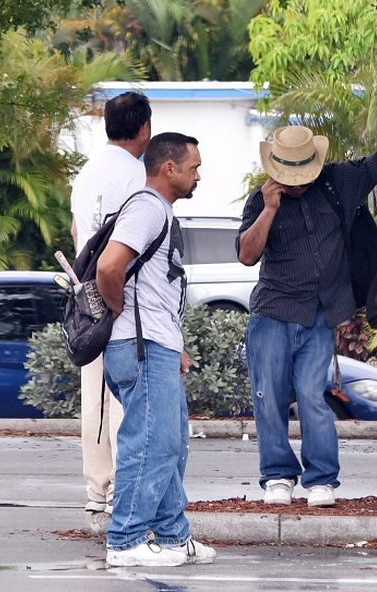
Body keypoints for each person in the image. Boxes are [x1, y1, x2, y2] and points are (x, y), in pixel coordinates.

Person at [237, 121, 377, 508]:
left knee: (313, 396)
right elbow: (247, 254)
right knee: (267, 398)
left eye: (302, 175)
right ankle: (278, 476)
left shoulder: (337, 182)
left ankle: (321, 479)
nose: (297, 183)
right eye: (290, 176)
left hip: (318, 314)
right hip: (272, 313)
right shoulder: (260, 199)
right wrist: (269, 210)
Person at [96, 132, 215, 567]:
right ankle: (124, 540)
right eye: (194, 167)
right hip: (140, 346)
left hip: (158, 345)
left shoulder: (160, 211)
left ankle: (171, 536)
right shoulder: (147, 207)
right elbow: (110, 267)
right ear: (169, 169)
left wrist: (175, 345)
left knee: (170, 445)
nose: (198, 175)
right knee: (148, 443)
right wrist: (121, 312)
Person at [69, 91, 152, 533]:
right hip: (123, 296)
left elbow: (78, 231)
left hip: (86, 296)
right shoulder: (136, 177)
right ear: (144, 129)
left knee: (94, 394)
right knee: (123, 393)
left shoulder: (86, 175)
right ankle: (122, 489)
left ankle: (97, 490)